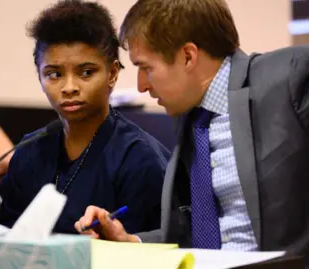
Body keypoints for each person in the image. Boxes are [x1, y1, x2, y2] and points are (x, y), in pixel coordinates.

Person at [75, 0, 309, 259]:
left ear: (188, 56)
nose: (141, 85)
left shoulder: (292, 76)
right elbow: (201, 232)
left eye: (146, 68)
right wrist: (131, 241)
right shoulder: (192, 117)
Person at [0, 0, 170, 234]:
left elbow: (154, 249)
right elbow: (4, 238)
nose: (69, 87)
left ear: (112, 73)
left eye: (86, 72)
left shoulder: (141, 159)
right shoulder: (27, 152)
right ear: (39, 76)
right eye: (54, 74)